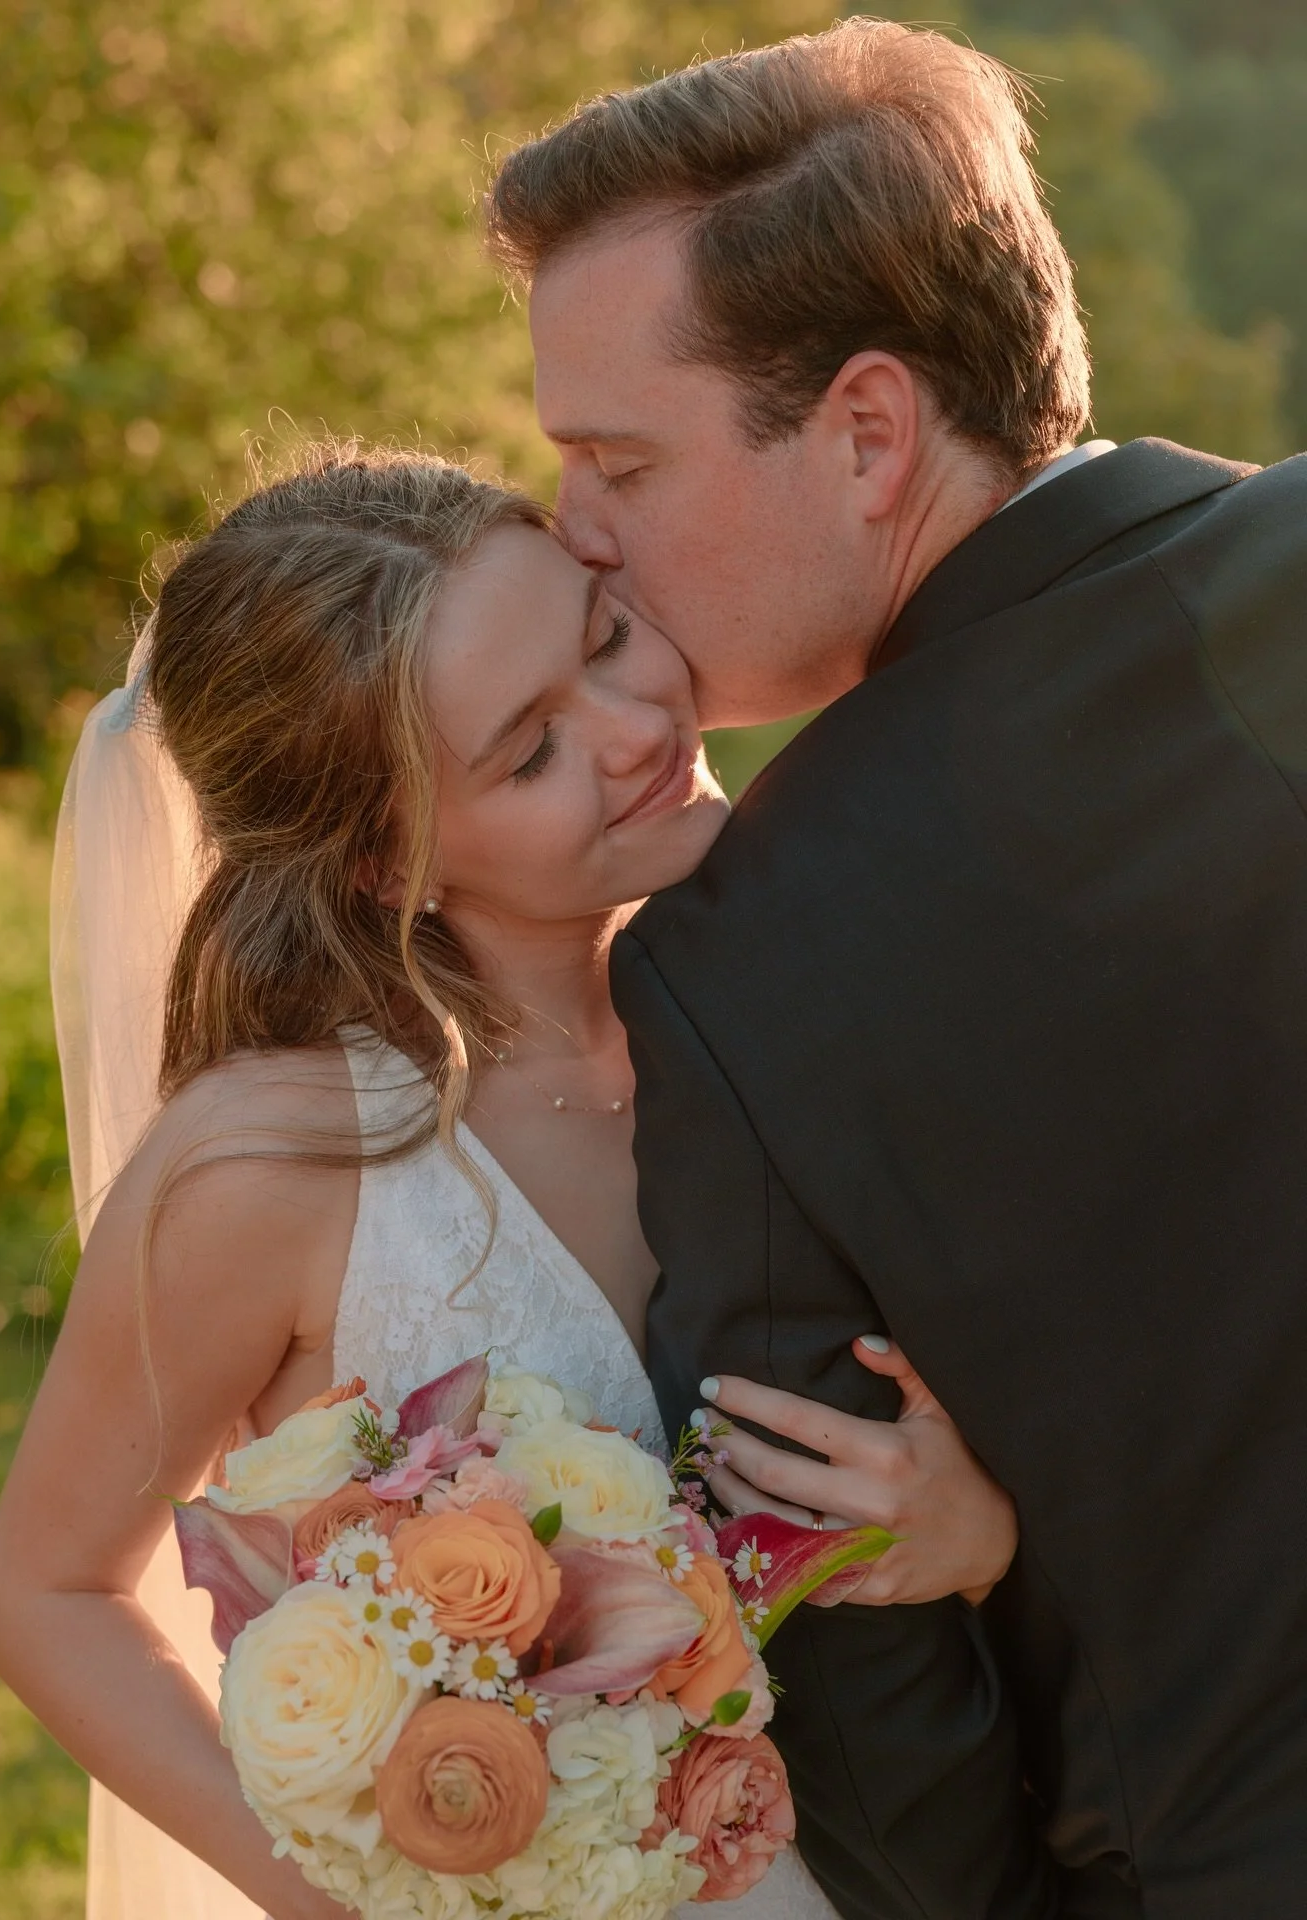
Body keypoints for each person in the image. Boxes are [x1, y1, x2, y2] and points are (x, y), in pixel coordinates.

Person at [487, 17, 1307, 1920]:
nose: (576, 530)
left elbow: (855, 1671)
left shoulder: (736, 967)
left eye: (618, 457)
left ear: (867, 433)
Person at [0, 445, 1016, 1920]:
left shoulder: (800, 1017)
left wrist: (975, 1530)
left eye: (604, 635)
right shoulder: (277, 1163)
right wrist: (357, 1893)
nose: (639, 722)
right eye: (526, 750)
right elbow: (47, 1596)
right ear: (384, 858)